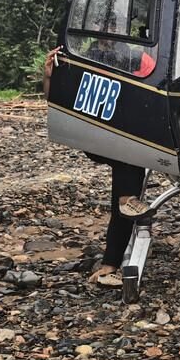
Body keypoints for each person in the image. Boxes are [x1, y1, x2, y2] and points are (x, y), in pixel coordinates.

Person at [44, 47, 149, 287]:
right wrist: (49, 77)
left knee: (128, 177)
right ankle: (112, 260)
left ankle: (109, 266)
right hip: (99, 137)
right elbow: (57, 100)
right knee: (128, 177)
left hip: (130, 139)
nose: (109, 33)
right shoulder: (83, 59)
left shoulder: (134, 57)